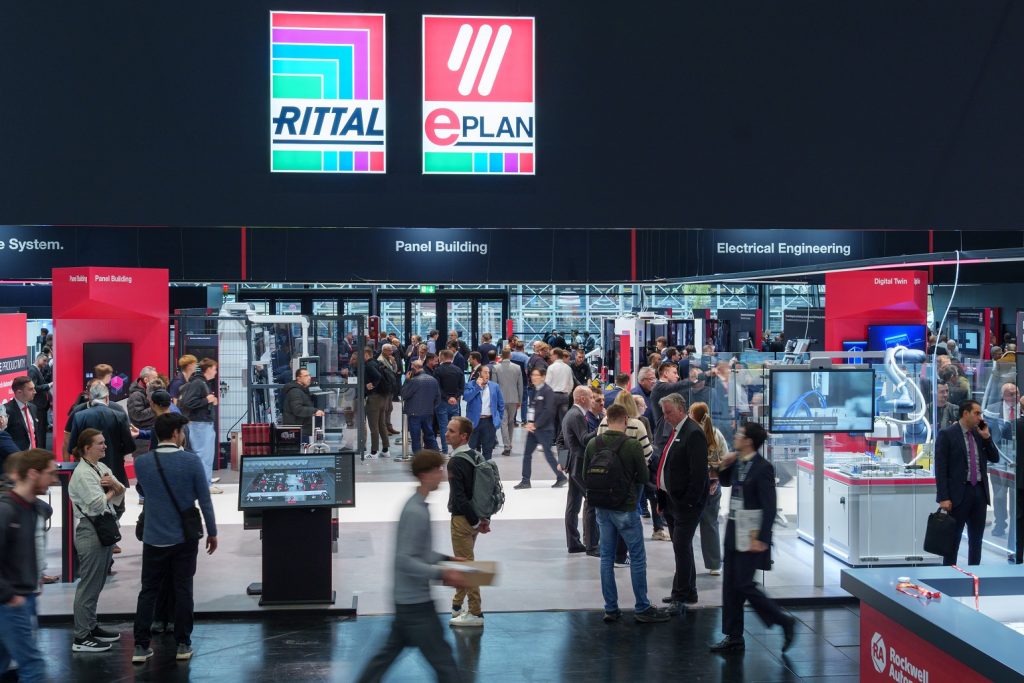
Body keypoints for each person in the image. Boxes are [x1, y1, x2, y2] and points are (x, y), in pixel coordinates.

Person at [357, 449, 470, 682]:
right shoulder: (415, 511)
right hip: (416, 606)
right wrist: (443, 573)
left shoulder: (417, 505)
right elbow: (405, 559)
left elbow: (420, 552)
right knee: (444, 663)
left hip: (408, 601)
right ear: (425, 474)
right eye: (438, 470)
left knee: (385, 658)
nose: (443, 475)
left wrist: (448, 560)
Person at [132, 413, 218, 664]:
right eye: (182, 432)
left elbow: (145, 492)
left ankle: (140, 646)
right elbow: (204, 500)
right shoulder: (191, 461)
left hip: (153, 536)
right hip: (183, 537)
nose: (184, 436)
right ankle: (183, 643)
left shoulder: (142, 463)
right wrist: (212, 531)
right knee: (183, 589)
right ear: (175, 433)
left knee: (148, 591)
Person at [711, 422, 796, 653]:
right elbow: (725, 482)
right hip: (734, 529)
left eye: (740, 434)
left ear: (749, 441)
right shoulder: (738, 461)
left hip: (751, 534)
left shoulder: (763, 468)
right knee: (730, 585)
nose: (736, 436)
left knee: (744, 584)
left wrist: (763, 538)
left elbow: (770, 507)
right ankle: (733, 636)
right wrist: (724, 464)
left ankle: (783, 620)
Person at [585, 404, 670, 624]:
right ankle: (642, 606)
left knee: (606, 558)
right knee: (637, 556)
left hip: (602, 508)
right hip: (625, 507)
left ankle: (610, 608)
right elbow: (643, 476)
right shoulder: (631, 445)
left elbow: (586, 475)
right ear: (625, 420)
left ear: (606, 419)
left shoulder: (594, 443)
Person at [0, 449, 57, 682]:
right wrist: (9, 596)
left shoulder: (33, 509)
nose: (54, 480)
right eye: (50, 473)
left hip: (23, 597)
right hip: (11, 602)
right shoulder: (6, 510)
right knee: (32, 664)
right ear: (33, 473)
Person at [68, 428, 125, 653]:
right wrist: (111, 490)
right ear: (87, 448)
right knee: (89, 585)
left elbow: (121, 490)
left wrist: (112, 488)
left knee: (98, 583)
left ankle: (90, 626)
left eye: (104, 442)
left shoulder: (100, 467)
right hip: (90, 531)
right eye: (100, 443)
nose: (105, 446)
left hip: (102, 530)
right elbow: (97, 504)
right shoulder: (83, 473)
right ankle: (81, 636)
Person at [655, 393, 709, 610]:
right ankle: (689, 591)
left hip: (685, 505)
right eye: (664, 413)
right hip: (672, 501)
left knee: (681, 547)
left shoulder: (693, 433)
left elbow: (698, 475)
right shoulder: (677, 430)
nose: (665, 417)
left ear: (680, 409)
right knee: (682, 548)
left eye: (668, 412)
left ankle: (680, 595)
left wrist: (688, 502)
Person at [934, 400, 999, 565]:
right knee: (953, 540)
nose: (980, 417)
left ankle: (974, 573)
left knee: (976, 540)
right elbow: (940, 468)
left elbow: (995, 458)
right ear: (965, 413)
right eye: (977, 413)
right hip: (958, 494)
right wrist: (943, 497)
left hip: (979, 492)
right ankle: (950, 574)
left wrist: (987, 438)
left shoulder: (980, 434)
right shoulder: (947, 434)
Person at [446, 417, 492, 627]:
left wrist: (473, 522)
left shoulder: (455, 462)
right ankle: (457, 604)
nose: (447, 434)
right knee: (466, 562)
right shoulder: (476, 456)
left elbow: (459, 497)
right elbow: (484, 491)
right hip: (475, 519)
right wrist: (482, 520)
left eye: (452, 431)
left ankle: (475, 612)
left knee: (467, 567)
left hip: (462, 521)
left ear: (463, 436)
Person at [68, 382, 137, 519]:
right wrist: (116, 453)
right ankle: (112, 529)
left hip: (88, 472)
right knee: (117, 508)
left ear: (90, 398)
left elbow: (72, 447)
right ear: (107, 398)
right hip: (114, 470)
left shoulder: (79, 416)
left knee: (89, 510)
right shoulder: (119, 415)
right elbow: (130, 446)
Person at [560, 386, 597, 555]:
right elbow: (584, 440)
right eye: (591, 397)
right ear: (582, 398)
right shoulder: (576, 415)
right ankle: (592, 545)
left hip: (573, 465)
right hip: (580, 465)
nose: (592, 400)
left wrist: (563, 462)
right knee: (591, 502)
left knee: (573, 505)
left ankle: (574, 543)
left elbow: (560, 439)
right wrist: (601, 429)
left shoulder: (571, 414)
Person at [514, 368, 566, 489]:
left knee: (548, 454)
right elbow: (533, 409)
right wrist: (530, 423)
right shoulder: (536, 390)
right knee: (527, 454)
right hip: (534, 429)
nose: (534, 377)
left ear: (543, 377)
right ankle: (525, 480)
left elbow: (548, 411)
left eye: (536, 375)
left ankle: (561, 477)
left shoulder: (548, 391)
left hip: (545, 429)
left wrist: (535, 424)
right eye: (532, 375)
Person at [689, 402, 725, 576]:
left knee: (686, 526)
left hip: (692, 487)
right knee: (710, 524)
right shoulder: (717, 434)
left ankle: (686, 566)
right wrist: (715, 480)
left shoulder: (689, 434)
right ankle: (714, 565)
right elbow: (724, 459)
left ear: (692, 415)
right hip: (712, 485)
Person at [177, 358, 221, 494]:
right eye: (214, 369)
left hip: (201, 424)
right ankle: (204, 486)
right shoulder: (198, 383)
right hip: (200, 424)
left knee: (204, 455)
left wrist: (209, 401)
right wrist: (206, 400)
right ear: (208, 369)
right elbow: (189, 402)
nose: (216, 372)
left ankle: (204, 483)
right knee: (204, 455)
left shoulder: (200, 382)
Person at [463, 366, 504, 462]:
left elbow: (501, 404)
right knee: (470, 448)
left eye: (488, 372)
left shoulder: (494, 386)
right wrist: (477, 387)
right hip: (473, 422)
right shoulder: (470, 384)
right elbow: (466, 397)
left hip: (489, 422)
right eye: (485, 372)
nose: (488, 375)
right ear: (479, 374)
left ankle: (486, 469)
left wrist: (499, 418)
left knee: (488, 449)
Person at [400, 360, 441, 452]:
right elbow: (438, 398)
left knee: (416, 438)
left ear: (415, 368)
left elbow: (404, 394)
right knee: (430, 435)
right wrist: (431, 407)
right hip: (428, 412)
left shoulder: (413, 381)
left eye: (412, 368)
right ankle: (436, 454)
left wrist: (406, 381)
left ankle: (418, 457)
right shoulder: (433, 380)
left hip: (414, 413)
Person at [362, 346, 392, 459]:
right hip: (383, 397)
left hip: (374, 398)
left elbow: (378, 376)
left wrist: (371, 385)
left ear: (366, 354)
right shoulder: (377, 363)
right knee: (381, 424)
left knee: (373, 426)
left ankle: (374, 452)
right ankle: (385, 449)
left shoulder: (369, 365)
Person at [492, 349, 523, 456]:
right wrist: (520, 400)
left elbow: (494, 386)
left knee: (503, 422)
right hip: (514, 399)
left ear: (501, 356)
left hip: (501, 400)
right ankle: (508, 444)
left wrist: (494, 400)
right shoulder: (517, 368)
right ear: (510, 356)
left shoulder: (496, 368)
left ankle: (507, 446)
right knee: (510, 422)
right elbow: (520, 385)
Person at [280, 368, 325, 440]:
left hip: (301, 429)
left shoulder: (302, 390)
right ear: (298, 378)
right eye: (306, 376)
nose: (309, 378)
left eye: (309, 375)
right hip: (298, 430)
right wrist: (315, 411)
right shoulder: (295, 392)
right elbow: (297, 409)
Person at [434, 350, 465, 454]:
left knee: (443, 427)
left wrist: (447, 398)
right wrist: (454, 397)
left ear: (443, 357)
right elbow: (462, 387)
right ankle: (456, 449)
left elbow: (437, 388)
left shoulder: (438, 370)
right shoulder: (458, 370)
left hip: (442, 402)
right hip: (455, 402)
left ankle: (445, 450)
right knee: (456, 427)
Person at [4, 377, 38, 452]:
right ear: (19, 392)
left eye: (34, 388)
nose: (35, 392)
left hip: (33, 454)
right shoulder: (6, 411)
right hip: (17, 456)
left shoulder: (33, 407)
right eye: (30, 389)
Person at [26, 356, 50, 449]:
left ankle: (41, 450)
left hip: (41, 405)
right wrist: (48, 385)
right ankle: (40, 451)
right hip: (38, 405)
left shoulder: (37, 370)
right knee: (40, 430)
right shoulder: (32, 370)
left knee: (42, 429)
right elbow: (34, 387)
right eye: (44, 360)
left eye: (47, 361)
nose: (45, 363)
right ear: (38, 359)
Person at [127, 366, 160, 432]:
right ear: (146, 380)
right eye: (154, 378)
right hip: (142, 429)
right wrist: (157, 407)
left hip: (150, 424)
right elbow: (138, 415)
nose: (157, 380)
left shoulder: (150, 389)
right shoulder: (135, 396)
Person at [0, 406, 19, 474]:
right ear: (1, 419)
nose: (7, 418)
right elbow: (19, 456)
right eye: (6, 416)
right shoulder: (2, 435)